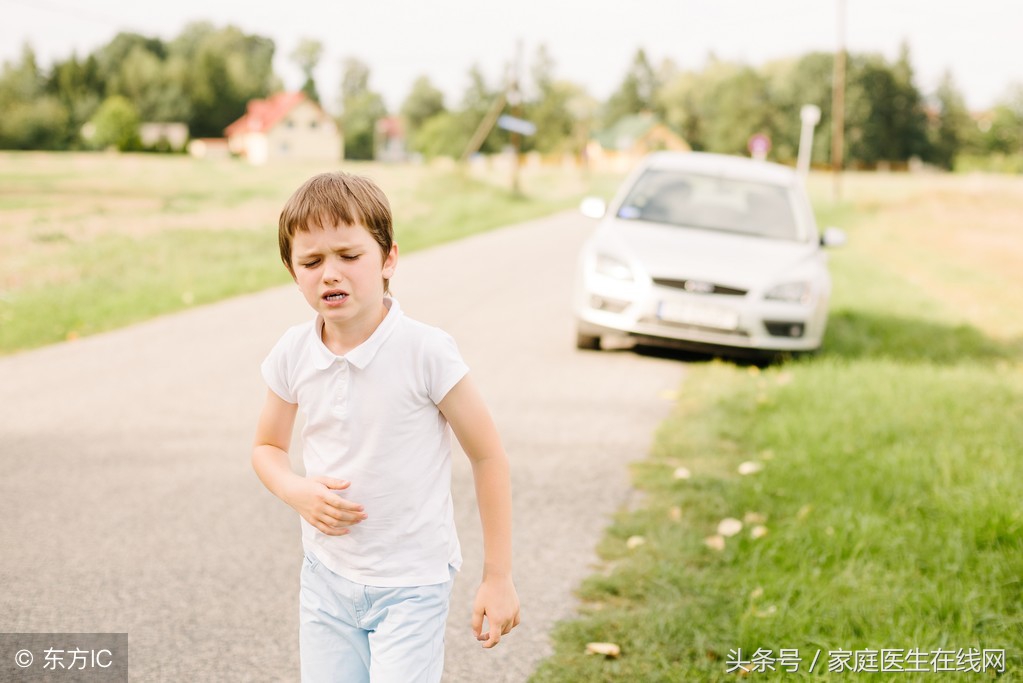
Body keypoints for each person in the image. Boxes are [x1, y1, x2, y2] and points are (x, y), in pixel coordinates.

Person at [252, 172, 520, 682]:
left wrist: (498, 576)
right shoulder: (293, 352)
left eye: (349, 256)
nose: (330, 274)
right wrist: (296, 491)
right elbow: (266, 446)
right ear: (293, 271)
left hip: (411, 584)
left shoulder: (426, 352)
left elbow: (488, 457)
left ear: (388, 258)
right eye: (312, 261)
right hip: (326, 577)